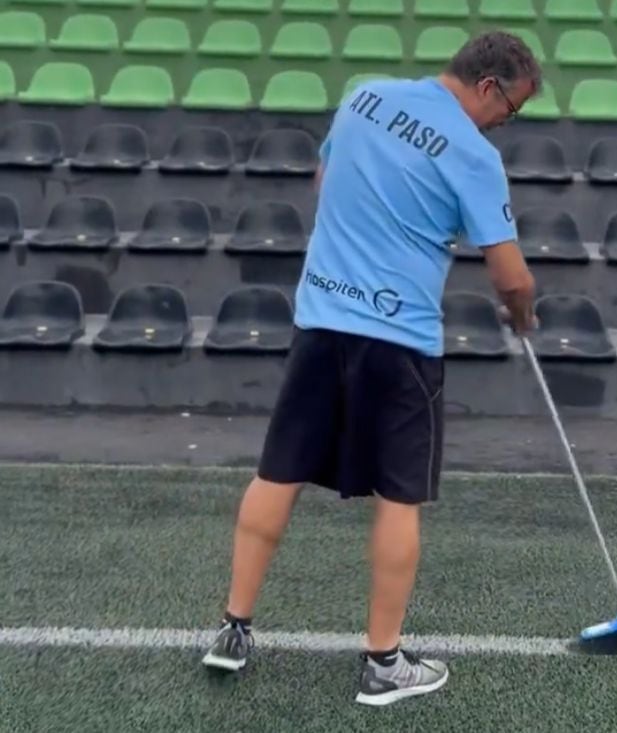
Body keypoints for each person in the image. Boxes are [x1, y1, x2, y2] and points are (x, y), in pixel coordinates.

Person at [201, 30, 542, 706]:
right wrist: (520, 312)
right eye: (513, 108)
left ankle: (232, 629)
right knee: (398, 497)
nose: (508, 122)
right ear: (487, 86)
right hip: (401, 341)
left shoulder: (364, 97)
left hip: (321, 322)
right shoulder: (473, 155)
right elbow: (509, 272)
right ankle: (383, 662)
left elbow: (327, 181)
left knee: (279, 472)